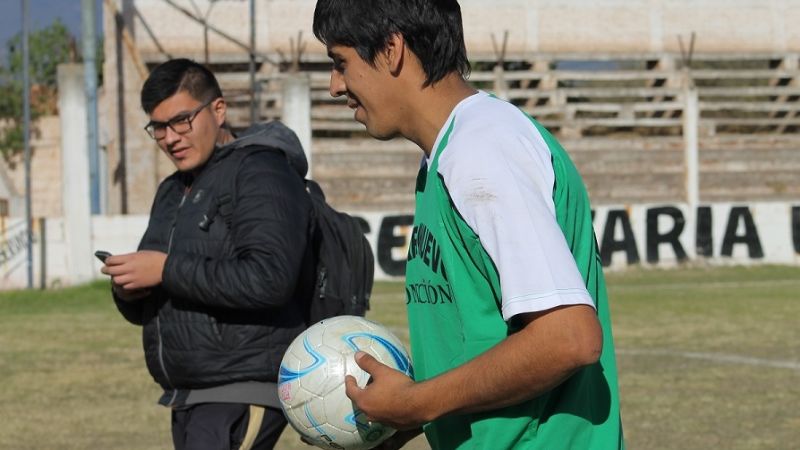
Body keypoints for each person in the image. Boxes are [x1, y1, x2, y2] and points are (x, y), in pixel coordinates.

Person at [312, 1, 624, 449]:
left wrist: (417, 403)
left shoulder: (482, 151)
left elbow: (568, 338)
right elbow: (485, 343)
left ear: (391, 49)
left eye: (341, 63)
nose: (334, 87)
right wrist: (403, 416)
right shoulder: (452, 152)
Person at [100, 58, 314, 450]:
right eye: (159, 127)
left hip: (241, 388)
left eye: (181, 120)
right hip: (188, 393)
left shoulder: (261, 170)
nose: (170, 137)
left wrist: (164, 270)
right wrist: (130, 291)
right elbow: (162, 291)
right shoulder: (170, 190)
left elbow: (270, 278)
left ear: (218, 110)